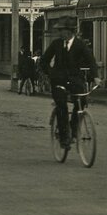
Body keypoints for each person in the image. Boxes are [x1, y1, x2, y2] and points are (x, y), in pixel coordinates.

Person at [40, 18, 97, 149]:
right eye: (60, 31)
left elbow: (91, 61)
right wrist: (51, 73)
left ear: (70, 32)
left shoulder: (80, 45)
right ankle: (64, 137)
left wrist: (96, 77)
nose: (61, 33)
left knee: (82, 101)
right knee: (62, 105)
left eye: (63, 31)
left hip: (75, 81)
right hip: (58, 81)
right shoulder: (56, 44)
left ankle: (73, 127)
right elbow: (43, 61)